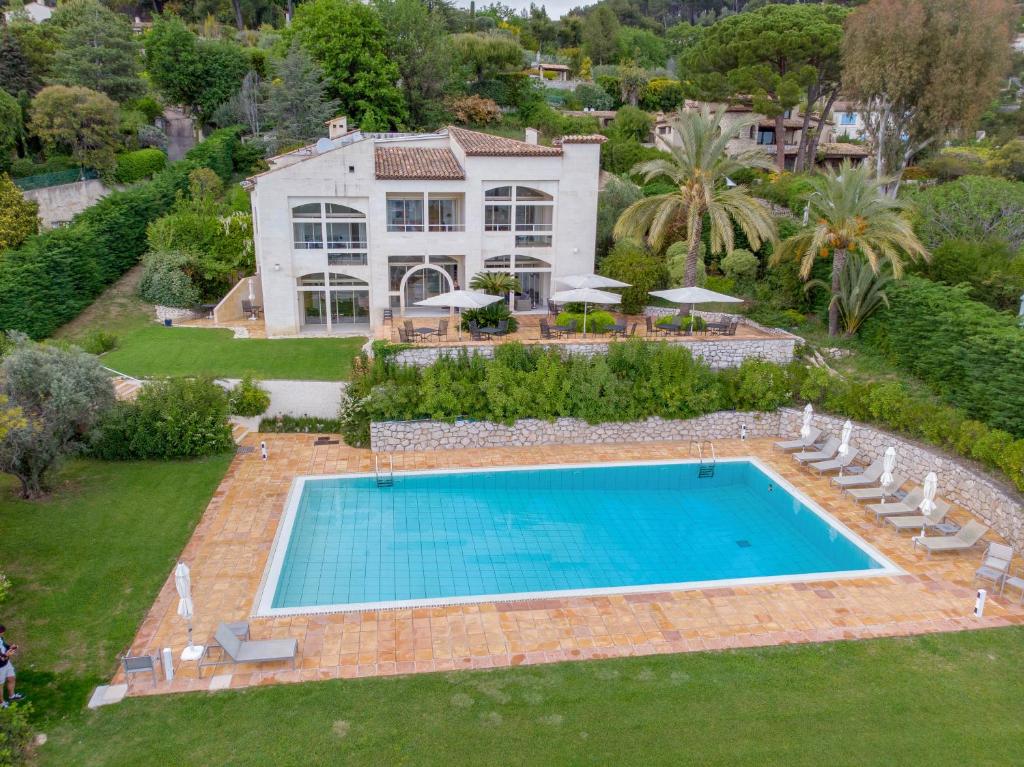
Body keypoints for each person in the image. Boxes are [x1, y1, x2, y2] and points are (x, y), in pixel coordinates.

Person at [0, 625, 24, 708]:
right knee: (0, 685)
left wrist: (10, 647)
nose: (1, 635)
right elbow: (1, 659)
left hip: (6, 663)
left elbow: (4, 645)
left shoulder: (0, 638)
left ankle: (12, 696)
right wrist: (7, 655)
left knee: (12, 678)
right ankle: (1, 703)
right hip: (0, 667)